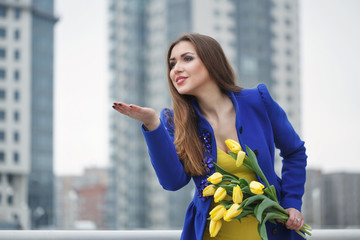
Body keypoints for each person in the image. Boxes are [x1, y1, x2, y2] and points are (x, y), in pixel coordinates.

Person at [112, 33, 307, 240]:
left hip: (271, 232)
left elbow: (295, 152)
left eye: (187, 58)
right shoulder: (173, 121)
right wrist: (152, 124)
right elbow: (173, 182)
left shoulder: (257, 101)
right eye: (172, 63)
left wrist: (292, 203)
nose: (176, 68)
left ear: (211, 61)